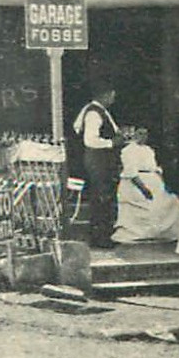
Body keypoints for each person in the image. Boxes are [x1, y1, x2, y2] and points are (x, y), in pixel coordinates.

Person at [73, 77, 122, 249]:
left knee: (104, 196)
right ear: (105, 95)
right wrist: (111, 143)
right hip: (98, 160)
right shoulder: (94, 113)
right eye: (112, 95)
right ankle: (100, 237)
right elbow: (90, 140)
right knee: (101, 197)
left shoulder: (101, 111)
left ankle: (102, 235)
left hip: (102, 160)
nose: (113, 98)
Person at [112, 127, 179, 243]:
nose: (143, 137)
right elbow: (131, 172)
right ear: (134, 135)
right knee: (146, 201)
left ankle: (159, 233)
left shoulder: (149, 150)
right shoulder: (128, 150)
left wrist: (163, 184)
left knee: (172, 201)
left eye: (145, 134)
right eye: (139, 133)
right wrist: (143, 189)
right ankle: (137, 233)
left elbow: (155, 169)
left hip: (153, 180)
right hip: (136, 183)